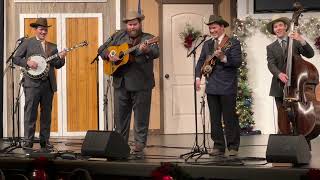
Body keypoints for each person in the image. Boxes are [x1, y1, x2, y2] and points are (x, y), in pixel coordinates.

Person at [99, 10, 159, 153]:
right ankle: (121, 144)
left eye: (135, 24)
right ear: (126, 25)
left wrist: (146, 51)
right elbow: (101, 49)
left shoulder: (149, 38)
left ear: (140, 24)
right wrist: (110, 54)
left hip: (141, 83)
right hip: (120, 83)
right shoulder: (118, 36)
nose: (132, 27)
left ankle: (139, 144)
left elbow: (156, 53)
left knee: (141, 117)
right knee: (120, 118)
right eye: (130, 24)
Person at [13, 18, 66, 149]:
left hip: (48, 85)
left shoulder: (52, 47)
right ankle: (28, 141)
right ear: (36, 29)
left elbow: (57, 65)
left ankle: (44, 141)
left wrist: (62, 58)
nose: (43, 32)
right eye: (41, 29)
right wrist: (27, 63)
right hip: (32, 84)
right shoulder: (27, 43)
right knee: (30, 113)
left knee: (46, 114)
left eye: (45, 29)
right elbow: (16, 58)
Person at [195, 15, 242, 156]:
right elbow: (201, 61)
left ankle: (233, 146)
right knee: (215, 118)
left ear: (222, 27)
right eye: (210, 28)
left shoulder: (233, 43)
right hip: (212, 86)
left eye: (214, 27)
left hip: (227, 85)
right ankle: (218, 146)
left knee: (229, 118)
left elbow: (237, 62)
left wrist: (223, 58)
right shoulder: (207, 44)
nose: (212, 30)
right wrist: (198, 77)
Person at [266, 16, 314, 135]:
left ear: (286, 27)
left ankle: (301, 140)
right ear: (273, 30)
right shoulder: (270, 47)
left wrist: (301, 39)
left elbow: (310, 54)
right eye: (275, 26)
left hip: (296, 86)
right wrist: (279, 74)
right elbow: (271, 64)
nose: (278, 28)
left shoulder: (296, 42)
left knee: (299, 116)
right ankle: (283, 139)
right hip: (279, 87)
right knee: (283, 117)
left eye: (280, 25)